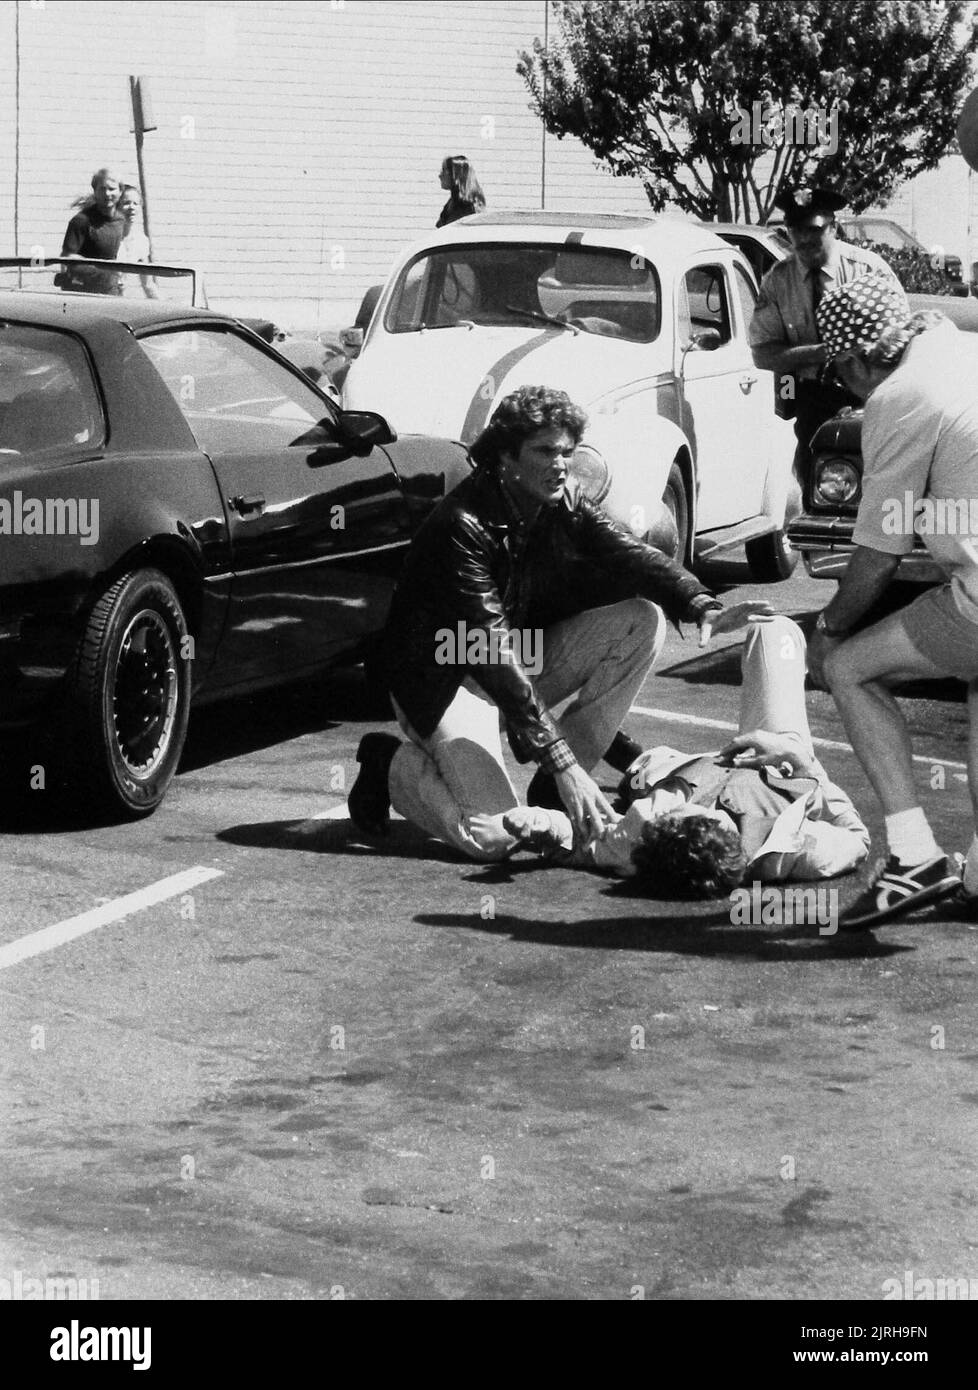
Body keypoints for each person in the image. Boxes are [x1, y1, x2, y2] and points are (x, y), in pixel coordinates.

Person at [347, 385, 769, 861]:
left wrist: (699, 602)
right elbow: (493, 653)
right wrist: (559, 755)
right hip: (446, 677)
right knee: (494, 838)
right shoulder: (461, 526)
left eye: (567, 451)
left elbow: (626, 552)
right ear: (506, 456)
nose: (561, 463)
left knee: (640, 620)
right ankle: (389, 764)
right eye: (545, 451)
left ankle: (556, 791)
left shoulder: (559, 498)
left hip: (510, 656)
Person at [807, 274, 978, 928]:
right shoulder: (958, 346)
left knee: (850, 669)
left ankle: (914, 860)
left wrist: (827, 630)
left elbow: (877, 554)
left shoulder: (900, 396)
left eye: (838, 369)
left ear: (853, 359)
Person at [469, 617, 870, 895]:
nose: (675, 808)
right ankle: (632, 758)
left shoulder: (644, 835)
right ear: (725, 832)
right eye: (688, 810)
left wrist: (540, 823)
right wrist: (802, 761)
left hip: (671, 767)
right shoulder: (799, 850)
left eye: (669, 814)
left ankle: (628, 755)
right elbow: (857, 836)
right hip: (775, 763)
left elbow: (587, 845)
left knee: (644, 778)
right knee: (774, 631)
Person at [749, 186, 903, 488]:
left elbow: (902, 340)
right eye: (795, 230)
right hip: (814, 397)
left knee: (881, 480)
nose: (804, 239)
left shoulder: (869, 270)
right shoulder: (778, 281)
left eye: (813, 229)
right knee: (817, 485)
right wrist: (823, 352)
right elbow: (762, 354)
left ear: (833, 227)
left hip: (873, 395)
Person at [59, 167, 124, 294]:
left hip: (111, 291)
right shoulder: (81, 221)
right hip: (83, 292)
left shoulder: (121, 220)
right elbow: (67, 257)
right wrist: (102, 272)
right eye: (102, 189)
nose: (107, 194)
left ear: (120, 191)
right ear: (95, 191)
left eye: (112, 189)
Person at [116, 185, 158, 298]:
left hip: (121, 301)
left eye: (136, 203)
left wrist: (168, 307)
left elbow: (148, 284)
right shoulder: (107, 236)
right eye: (126, 203)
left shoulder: (141, 241)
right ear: (116, 206)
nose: (132, 207)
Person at [436, 154, 486, 227]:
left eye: (444, 171)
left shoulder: (467, 206)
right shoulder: (453, 202)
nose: (440, 175)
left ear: (456, 175)